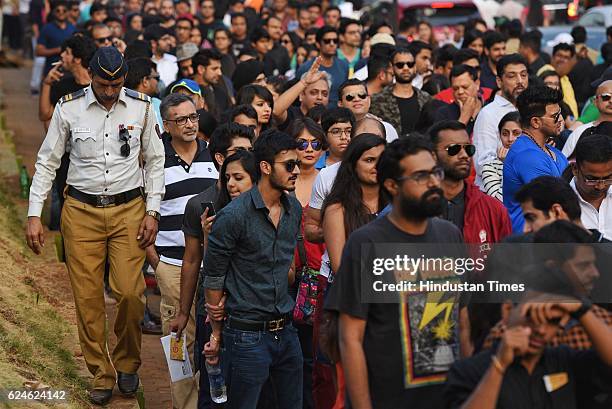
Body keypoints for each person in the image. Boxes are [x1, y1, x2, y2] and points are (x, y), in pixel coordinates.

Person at [25, 47, 165, 405]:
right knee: (87, 299)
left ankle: (128, 363)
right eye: (103, 84)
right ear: (91, 75)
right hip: (81, 212)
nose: (109, 91)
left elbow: (154, 162)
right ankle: (101, 374)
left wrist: (152, 211)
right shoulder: (68, 108)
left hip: (128, 210)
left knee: (131, 293)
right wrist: (34, 214)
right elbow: (46, 163)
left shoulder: (142, 107)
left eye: (116, 84)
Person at [333, 137, 465, 409]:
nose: (433, 183)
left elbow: (463, 320)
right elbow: (350, 338)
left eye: (435, 173)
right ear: (392, 186)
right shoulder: (366, 243)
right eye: (420, 176)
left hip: (446, 396)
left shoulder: (449, 235)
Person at [202, 130, 303, 408]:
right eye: (289, 165)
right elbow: (213, 277)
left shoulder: (293, 208)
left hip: (286, 329)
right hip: (246, 334)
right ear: (266, 167)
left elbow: (288, 264)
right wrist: (216, 334)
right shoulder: (233, 216)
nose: (296, 171)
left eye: (298, 164)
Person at [170, 123, 254, 406]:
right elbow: (192, 260)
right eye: (239, 151)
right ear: (220, 159)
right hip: (213, 307)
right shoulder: (200, 205)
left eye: (250, 151)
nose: (247, 157)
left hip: (251, 311)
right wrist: (183, 312)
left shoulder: (264, 203)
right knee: (212, 386)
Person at [445, 269, 612, 408]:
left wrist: (580, 309)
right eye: (531, 317)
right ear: (508, 311)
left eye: (552, 321)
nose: (541, 330)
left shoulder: (565, 360)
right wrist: (499, 366)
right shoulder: (469, 371)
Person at [146, 94, 217, 409]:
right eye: (181, 119)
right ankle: (183, 404)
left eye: (193, 117)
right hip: (172, 265)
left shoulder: (215, 157)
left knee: (214, 342)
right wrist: (156, 263)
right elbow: (142, 214)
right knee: (178, 342)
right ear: (166, 125)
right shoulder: (154, 159)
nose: (190, 124)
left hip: (213, 267)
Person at [430, 120, 512, 248]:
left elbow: (508, 263)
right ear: (432, 155)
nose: (464, 155)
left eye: (469, 148)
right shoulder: (414, 209)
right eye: (453, 149)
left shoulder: (493, 210)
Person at [504, 85, 569, 233]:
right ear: (535, 122)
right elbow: (555, 202)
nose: (561, 119)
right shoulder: (527, 156)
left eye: (560, 113)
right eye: (555, 116)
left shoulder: (553, 152)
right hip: (529, 242)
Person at [473, 54, 528, 187]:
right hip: (496, 193)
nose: (520, 81)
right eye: (512, 76)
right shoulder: (488, 114)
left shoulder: (531, 110)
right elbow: (483, 164)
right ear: (499, 81)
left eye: (524, 75)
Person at [39, 34, 96, 130]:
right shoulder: (63, 84)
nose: (62, 55)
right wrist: (46, 84)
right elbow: (45, 116)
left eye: (67, 52)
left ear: (77, 59)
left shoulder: (98, 87)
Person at [370, 48, 432, 135]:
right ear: (392, 68)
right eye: (400, 65)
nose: (406, 68)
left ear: (414, 67)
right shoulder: (377, 100)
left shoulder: (426, 99)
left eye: (410, 64)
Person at [570, 133, 612, 240]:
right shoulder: (559, 203)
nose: (600, 186)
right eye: (592, 179)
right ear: (575, 169)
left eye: (608, 178)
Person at [296, 26, 349, 107]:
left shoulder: (344, 65)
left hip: (338, 115)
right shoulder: (306, 68)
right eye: (327, 41)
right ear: (318, 44)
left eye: (335, 41)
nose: (332, 44)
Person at [273, 57, 330, 131]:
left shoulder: (330, 118)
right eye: (314, 93)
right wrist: (304, 82)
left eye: (325, 94)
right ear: (301, 95)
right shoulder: (291, 115)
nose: (320, 97)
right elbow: (276, 111)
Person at [337, 78, 399, 143]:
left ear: (369, 100)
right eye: (350, 97)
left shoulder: (387, 128)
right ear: (340, 104)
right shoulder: (334, 130)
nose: (357, 99)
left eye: (362, 95)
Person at [562, 80, 612, 157]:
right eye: (606, 97)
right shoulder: (580, 132)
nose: (611, 101)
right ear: (595, 102)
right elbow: (565, 163)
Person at [481, 111, 521, 201]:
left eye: (516, 133)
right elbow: (499, 202)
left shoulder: (536, 160)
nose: (510, 139)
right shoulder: (490, 167)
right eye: (505, 134)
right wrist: (508, 165)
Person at [433, 65, 482, 135]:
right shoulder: (443, 114)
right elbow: (444, 144)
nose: (460, 92)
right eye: (455, 88)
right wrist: (463, 119)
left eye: (465, 87)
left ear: (477, 84)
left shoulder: (490, 109)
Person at [537, 43, 579, 119]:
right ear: (552, 57)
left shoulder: (565, 78)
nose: (562, 60)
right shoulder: (546, 72)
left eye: (566, 57)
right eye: (559, 56)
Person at [36, 1, 76, 75]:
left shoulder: (73, 28)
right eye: (58, 10)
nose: (61, 13)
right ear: (53, 12)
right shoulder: (46, 29)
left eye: (64, 10)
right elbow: (39, 52)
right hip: (51, 71)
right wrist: (57, 50)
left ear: (68, 12)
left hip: (69, 72)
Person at [192, 49, 232, 121]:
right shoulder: (182, 91)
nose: (219, 73)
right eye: (214, 69)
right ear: (201, 69)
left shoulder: (222, 94)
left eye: (219, 68)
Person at [125, 58, 163, 124]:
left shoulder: (119, 105)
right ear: (145, 81)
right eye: (156, 78)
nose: (158, 82)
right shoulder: (156, 105)